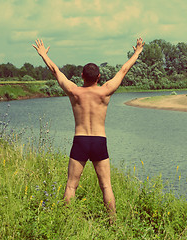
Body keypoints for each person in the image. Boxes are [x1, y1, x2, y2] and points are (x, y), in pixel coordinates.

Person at [33, 38, 145, 222]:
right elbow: (124, 70)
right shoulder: (105, 91)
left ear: (82, 76)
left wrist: (44, 54)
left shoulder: (74, 91)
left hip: (81, 140)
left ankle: (66, 221)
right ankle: (113, 222)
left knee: (71, 186)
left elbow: (56, 71)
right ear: (99, 77)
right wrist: (137, 52)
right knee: (106, 186)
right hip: (99, 141)